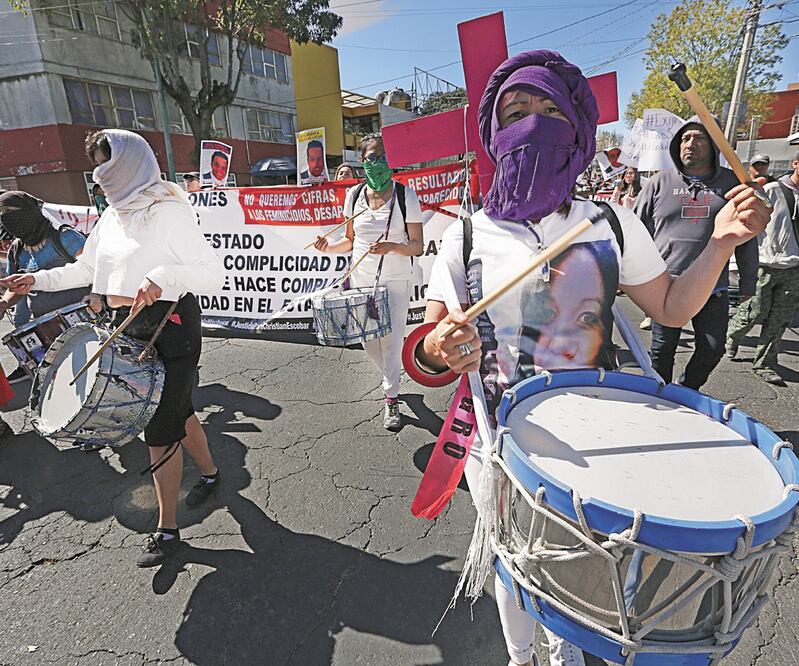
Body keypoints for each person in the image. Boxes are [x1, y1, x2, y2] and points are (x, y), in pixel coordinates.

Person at [412, 50, 771, 666]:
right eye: (516, 111)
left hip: (603, 440)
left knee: (583, 572)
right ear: (494, 133)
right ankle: (522, 656)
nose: (533, 122)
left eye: (551, 109)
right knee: (514, 559)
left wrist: (721, 242)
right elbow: (425, 351)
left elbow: (673, 308)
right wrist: (441, 348)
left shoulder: (611, 222)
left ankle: (563, 653)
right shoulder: (464, 236)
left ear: (577, 131)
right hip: (498, 440)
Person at [1, 129, 226, 568]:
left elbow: (209, 273)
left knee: (158, 430)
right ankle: (213, 474)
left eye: (106, 164)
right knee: (178, 411)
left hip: (171, 327)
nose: (99, 176)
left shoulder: (169, 212)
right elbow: (85, 268)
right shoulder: (111, 218)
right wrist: (38, 281)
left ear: (131, 164)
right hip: (126, 327)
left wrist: (163, 276)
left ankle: (167, 529)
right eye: (95, 167)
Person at [633, 116, 759, 389]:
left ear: (713, 145)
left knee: (713, 348)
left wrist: (749, 280)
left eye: (699, 137)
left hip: (714, 288)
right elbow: (634, 231)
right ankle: (659, 394)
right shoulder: (658, 183)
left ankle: (687, 389)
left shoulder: (732, 184)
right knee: (661, 351)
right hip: (666, 285)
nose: (691, 143)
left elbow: (747, 236)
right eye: (686, 138)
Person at [313, 132, 424, 430]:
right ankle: (393, 378)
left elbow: (418, 246)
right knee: (367, 340)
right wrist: (329, 246)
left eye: (383, 157)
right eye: (372, 158)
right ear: (362, 162)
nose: (378, 163)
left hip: (396, 280)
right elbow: (349, 241)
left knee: (391, 342)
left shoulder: (405, 196)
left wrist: (391, 247)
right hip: (361, 281)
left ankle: (391, 398)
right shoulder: (353, 196)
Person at [0, 190, 90, 385]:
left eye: (10, 211)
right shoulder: (17, 250)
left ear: (29, 211)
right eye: (2, 213)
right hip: (48, 333)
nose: (6, 218)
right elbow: (15, 288)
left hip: (86, 325)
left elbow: (93, 268)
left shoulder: (65, 237)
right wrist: (5, 303)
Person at [726, 150, 799, 385]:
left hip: (793, 268)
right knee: (754, 312)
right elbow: (749, 221)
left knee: (779, 319)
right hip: (766, 264)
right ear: (795, 164)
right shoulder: (773, 190)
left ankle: (765, 363)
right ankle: (732, 336)